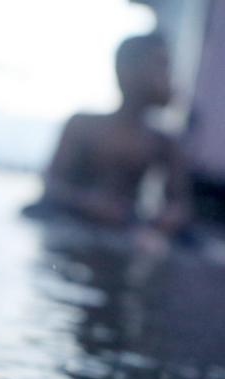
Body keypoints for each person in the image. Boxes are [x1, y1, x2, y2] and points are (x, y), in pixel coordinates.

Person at [23, 34, 191, 231]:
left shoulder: (165, 143)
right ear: (128, 71)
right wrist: (88, 204)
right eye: (160, 66)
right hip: (68, 224)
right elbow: (51, 183)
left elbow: (179, 206)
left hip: (123, 231)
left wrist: (165, 219)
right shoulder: (83, 125)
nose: (169, 78)